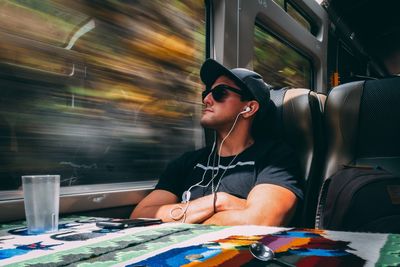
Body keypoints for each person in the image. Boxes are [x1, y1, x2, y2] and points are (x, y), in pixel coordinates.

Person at [130, 59, 303, 226]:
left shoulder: (275, 159)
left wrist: (184, 218)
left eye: (220, 92)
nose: (206, 100)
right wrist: (218, 201)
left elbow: (261, 221)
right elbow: (141, 217)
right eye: (206, 93)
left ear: (248, 108)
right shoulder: (188, 162)